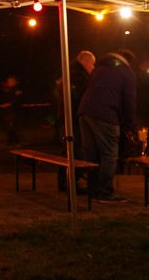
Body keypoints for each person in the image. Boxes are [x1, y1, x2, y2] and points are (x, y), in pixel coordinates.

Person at [77, 48, 138, 204]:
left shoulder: (100, 68)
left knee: (91, 154)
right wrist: (131, 127)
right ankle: (105, 193)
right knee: (109, 155)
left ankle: (93, 191)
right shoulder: (126, 71)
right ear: (128, 61)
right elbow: (129, 102)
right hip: (105, 114)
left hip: (84, 112)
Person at [55, 49, 96, 191]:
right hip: (75, 117)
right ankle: (71, 183)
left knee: (67, 149)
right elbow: (83, 98)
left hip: (66, 116)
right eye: (92, 64)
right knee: (76, 150)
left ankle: (64, 182)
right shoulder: (79, 76)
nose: (93, 68)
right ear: (85, 61)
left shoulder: (67, 72)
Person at [0, 74, 23, 146]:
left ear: (16, 82)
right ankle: (10, 142)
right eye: (9, 82)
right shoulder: (8, 91)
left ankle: (15, 142)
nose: (10, 83)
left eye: (12, 81)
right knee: (8, 127)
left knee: (12, 126)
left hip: (15, 111)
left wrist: (9, 104)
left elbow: (18, 100)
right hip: (8, 111)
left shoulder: (18, 90)